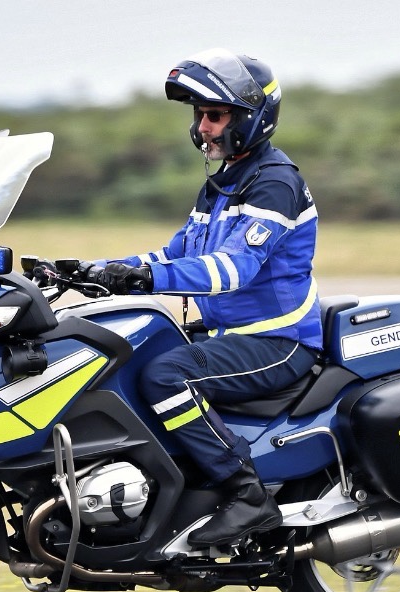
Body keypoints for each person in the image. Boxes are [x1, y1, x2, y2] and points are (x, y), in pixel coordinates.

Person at [85, 48, 321, 548]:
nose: (203, 129)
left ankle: (246, 493)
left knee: (165, 374)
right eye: (199, 116)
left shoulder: (275, 183)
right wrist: (94, 270)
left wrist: (146, 278)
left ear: (252, 117)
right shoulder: (221, 185)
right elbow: (173, 253)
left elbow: (234, 269)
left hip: (276, 342)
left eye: (215, 116)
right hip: (228, 334)